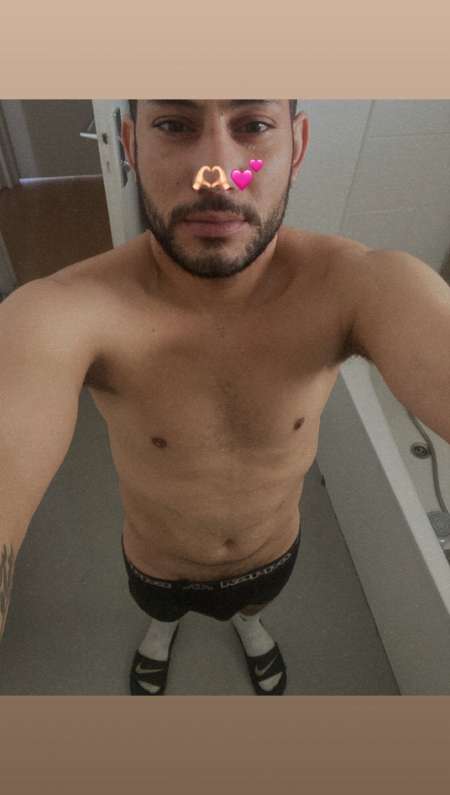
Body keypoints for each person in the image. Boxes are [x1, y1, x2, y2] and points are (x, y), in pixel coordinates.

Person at [1, 100, 449, 696]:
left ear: (297, 146)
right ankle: (160, 633)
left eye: (253, 126)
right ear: (131, 146)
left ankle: (250, 626)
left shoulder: (356, 285)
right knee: (160, 610)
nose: (214, 173)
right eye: (174, 125)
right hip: (158, 563)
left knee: (254, 607)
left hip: (273, 552)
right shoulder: (65, 309)